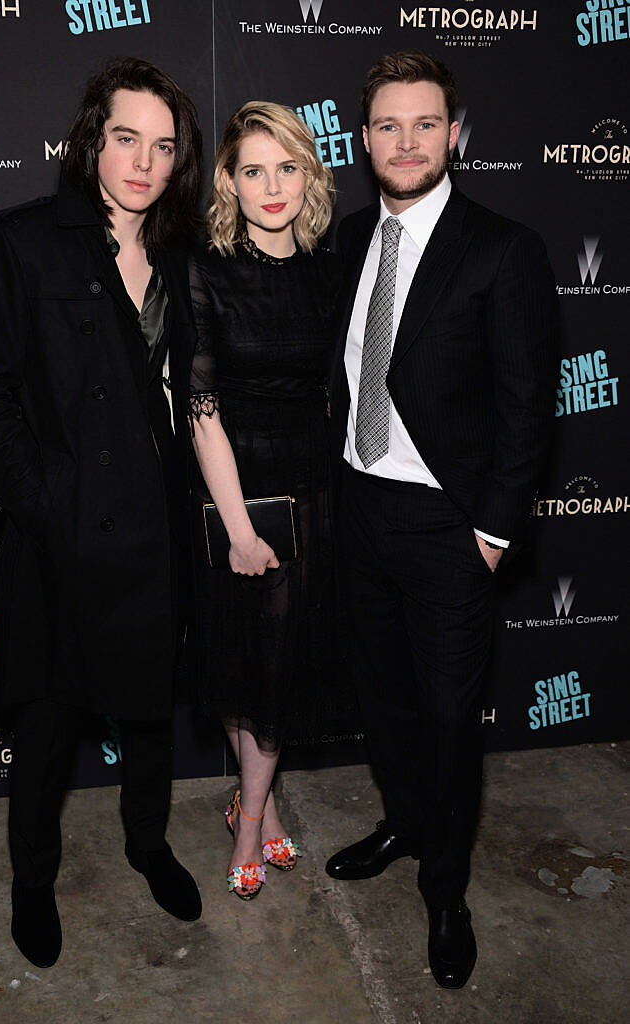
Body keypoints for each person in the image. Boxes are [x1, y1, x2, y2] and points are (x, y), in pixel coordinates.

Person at [0, 58, 204, 968]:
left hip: (155, 529)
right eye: (126, 137)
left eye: (164, 146)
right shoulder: (25, 240)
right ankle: (32, 877)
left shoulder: (182, 253)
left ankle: (148, 843)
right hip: (62, 536)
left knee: (145, 715)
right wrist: (45, 501)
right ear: (92, 138)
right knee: (48, 725)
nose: (143, 161)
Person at [325, 51, 559, 987]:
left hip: (446, 527)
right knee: (380, 702)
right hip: (359, 507)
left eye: (425, 124)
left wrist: (491, 531)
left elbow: (526, 408)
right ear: (364, 136)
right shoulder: (348, 240)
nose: (406, 141)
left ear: (454, 134)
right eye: (388, 125)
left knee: (448, 718)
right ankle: (403, 823)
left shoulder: (503, 248)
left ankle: (446, 889)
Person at [188, 102, 337, 899]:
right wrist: (240, 530)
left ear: (308, 173)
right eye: (253, 170)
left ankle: (248, 813)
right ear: (230, 183)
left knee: (278, 670)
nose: (271, 185)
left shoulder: (327, 265)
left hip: (311, 494)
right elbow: (201, 412)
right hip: (229, 498)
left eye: (286, 166)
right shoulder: (204, 269)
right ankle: (259, 812)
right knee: (236, 662)